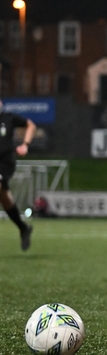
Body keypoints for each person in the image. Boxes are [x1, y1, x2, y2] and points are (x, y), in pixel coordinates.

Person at [0, 99, 36, 251]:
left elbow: (31, 125)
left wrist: (25, 144)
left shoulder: (8, 118)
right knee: (5, 199)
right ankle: (23, 227)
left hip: (5, 162)